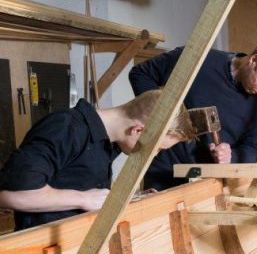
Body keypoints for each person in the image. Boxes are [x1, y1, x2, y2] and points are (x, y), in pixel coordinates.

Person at [0, 90, 195, 231]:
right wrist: (84, 199)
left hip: (77, 247)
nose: (153, 155)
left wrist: (127, 199)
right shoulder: (66, 128)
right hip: (42, 253)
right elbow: (9, 195)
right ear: (138, 130)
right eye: (156, 148)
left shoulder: (107, 143)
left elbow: (82, 187)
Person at [129, 37, 257, 190]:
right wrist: (164, 115)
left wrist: (231, 157)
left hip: (211, 180)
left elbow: (254, 147)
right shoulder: (199, 60)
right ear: (253, 60)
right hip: (166, 169)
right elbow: (141, 74)